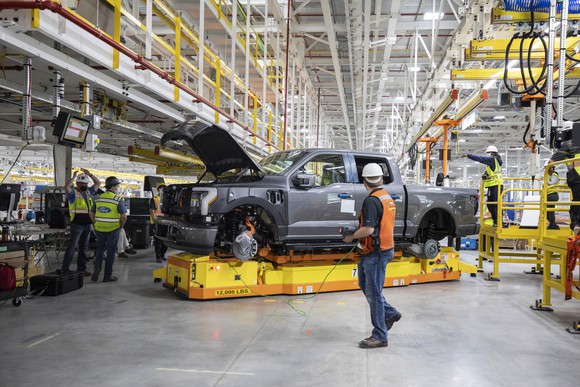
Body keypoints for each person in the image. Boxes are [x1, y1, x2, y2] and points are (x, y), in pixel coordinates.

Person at [343, 163, 401, 349]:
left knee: (374, 294)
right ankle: (390, 313)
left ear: (364, 181)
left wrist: (351, 236)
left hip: (376, 253)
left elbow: (368, 229)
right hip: (382, 249)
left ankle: (380, 336)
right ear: (381, 179)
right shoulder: (386, 198)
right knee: (364, 284)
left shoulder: (371, 201)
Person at [59, 168, 101, 276]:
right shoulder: (73, 194)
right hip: (77, 224)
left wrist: (90, 174)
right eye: (82, 183)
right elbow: (66, 187)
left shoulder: (89, 192)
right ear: (77, 184)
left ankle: (81, 269)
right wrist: (73, 177)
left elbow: (98, 183)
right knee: (72, 247)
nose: (84, 184)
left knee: (84, 248)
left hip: (88, 224)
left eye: (85, 183)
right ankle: (65, 269)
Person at [90, 176, 127, 282]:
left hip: (99, 228)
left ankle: (96, 270)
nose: (118, 188)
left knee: (100, 250)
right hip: (113, 229)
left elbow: (91, 213)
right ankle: (107, 276)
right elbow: (124, 216)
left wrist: (95, 223)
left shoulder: (98, 198)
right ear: (113, 187)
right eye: (117, 186)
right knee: (111, 252)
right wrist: (121, 226)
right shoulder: (117, 199)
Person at [462, 145, 504, 225]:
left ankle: (498, 222)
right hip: (493, 185)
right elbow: (490, 172)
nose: (487, 155)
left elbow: (480, 158)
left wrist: (469, 155)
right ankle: (496, 221)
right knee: (490, 204)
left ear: (491, 153)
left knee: (494, 204)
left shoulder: (492, 159)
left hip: (495, 185)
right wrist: (485, 174)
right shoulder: (495, 162)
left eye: (488, 153)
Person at [549, 146, 580, 233]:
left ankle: (576, 224)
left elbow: (551, 163)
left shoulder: (569, 147)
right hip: (576, 180)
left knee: (576, 205)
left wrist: (549, 166)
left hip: (577, 179)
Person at [150, 182, 168, 263]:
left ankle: (162, 254)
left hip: (166, 222)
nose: (162, 190)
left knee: (166, 240)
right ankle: (158, 257)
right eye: (161, 188)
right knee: (158, 240)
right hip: (157, 222)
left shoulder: (167, 199)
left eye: (164, 188)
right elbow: (152, 211)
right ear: (158, 190)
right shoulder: (154, 199)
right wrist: (154, 220)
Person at [543, 163, 560, 229]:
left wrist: (545, 180)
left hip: (552, 195)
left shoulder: (554, 174)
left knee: (550, 211)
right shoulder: (548, 175)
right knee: (546, 211)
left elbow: (552, 183)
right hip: (547, 195)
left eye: (547, 168)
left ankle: (552, 225)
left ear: (551, 168)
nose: (546, 170)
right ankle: (554, 225)